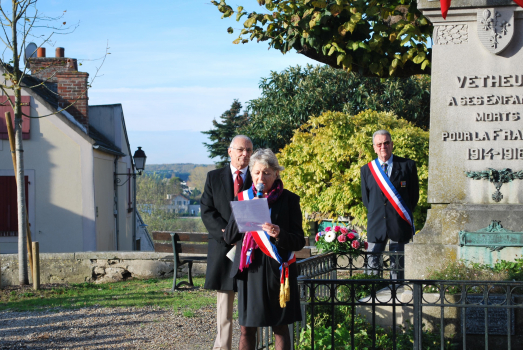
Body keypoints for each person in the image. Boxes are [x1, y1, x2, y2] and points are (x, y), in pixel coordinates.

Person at [224, 149, 305, 350]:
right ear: (251, 173)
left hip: (277, 271)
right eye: (257, 172)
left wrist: (279, 234)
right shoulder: (243, 197)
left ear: (276, 173)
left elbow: (299, 241)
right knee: (247, 329)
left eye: (267, 172)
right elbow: (229, 237)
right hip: (250, 272)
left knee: (280, 328)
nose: (262, 177)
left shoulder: (289, 200)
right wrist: (246, 209)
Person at [201, 135, 254, 350]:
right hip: (223, 248)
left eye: (249, 150)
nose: (245, 154)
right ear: (230, 151)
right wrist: (226, 233)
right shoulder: (214, 177)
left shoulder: (259, 176)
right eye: (241, 150)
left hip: (251, 248)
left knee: (250, 303)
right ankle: (222, 347)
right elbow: (207, 210)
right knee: (224, 305)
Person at [360, 130, 419, 280]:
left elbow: (414, 196)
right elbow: (367, 200)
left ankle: (398, 297)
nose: (383, 147)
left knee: (398, 269)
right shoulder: (366, 170)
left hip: (399, 223)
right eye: (379, 144)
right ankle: (373, 298)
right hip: (376, 223)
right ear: (374, 147)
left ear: (392, 144)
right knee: (372, 267)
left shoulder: (408, 166)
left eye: (386, 143)